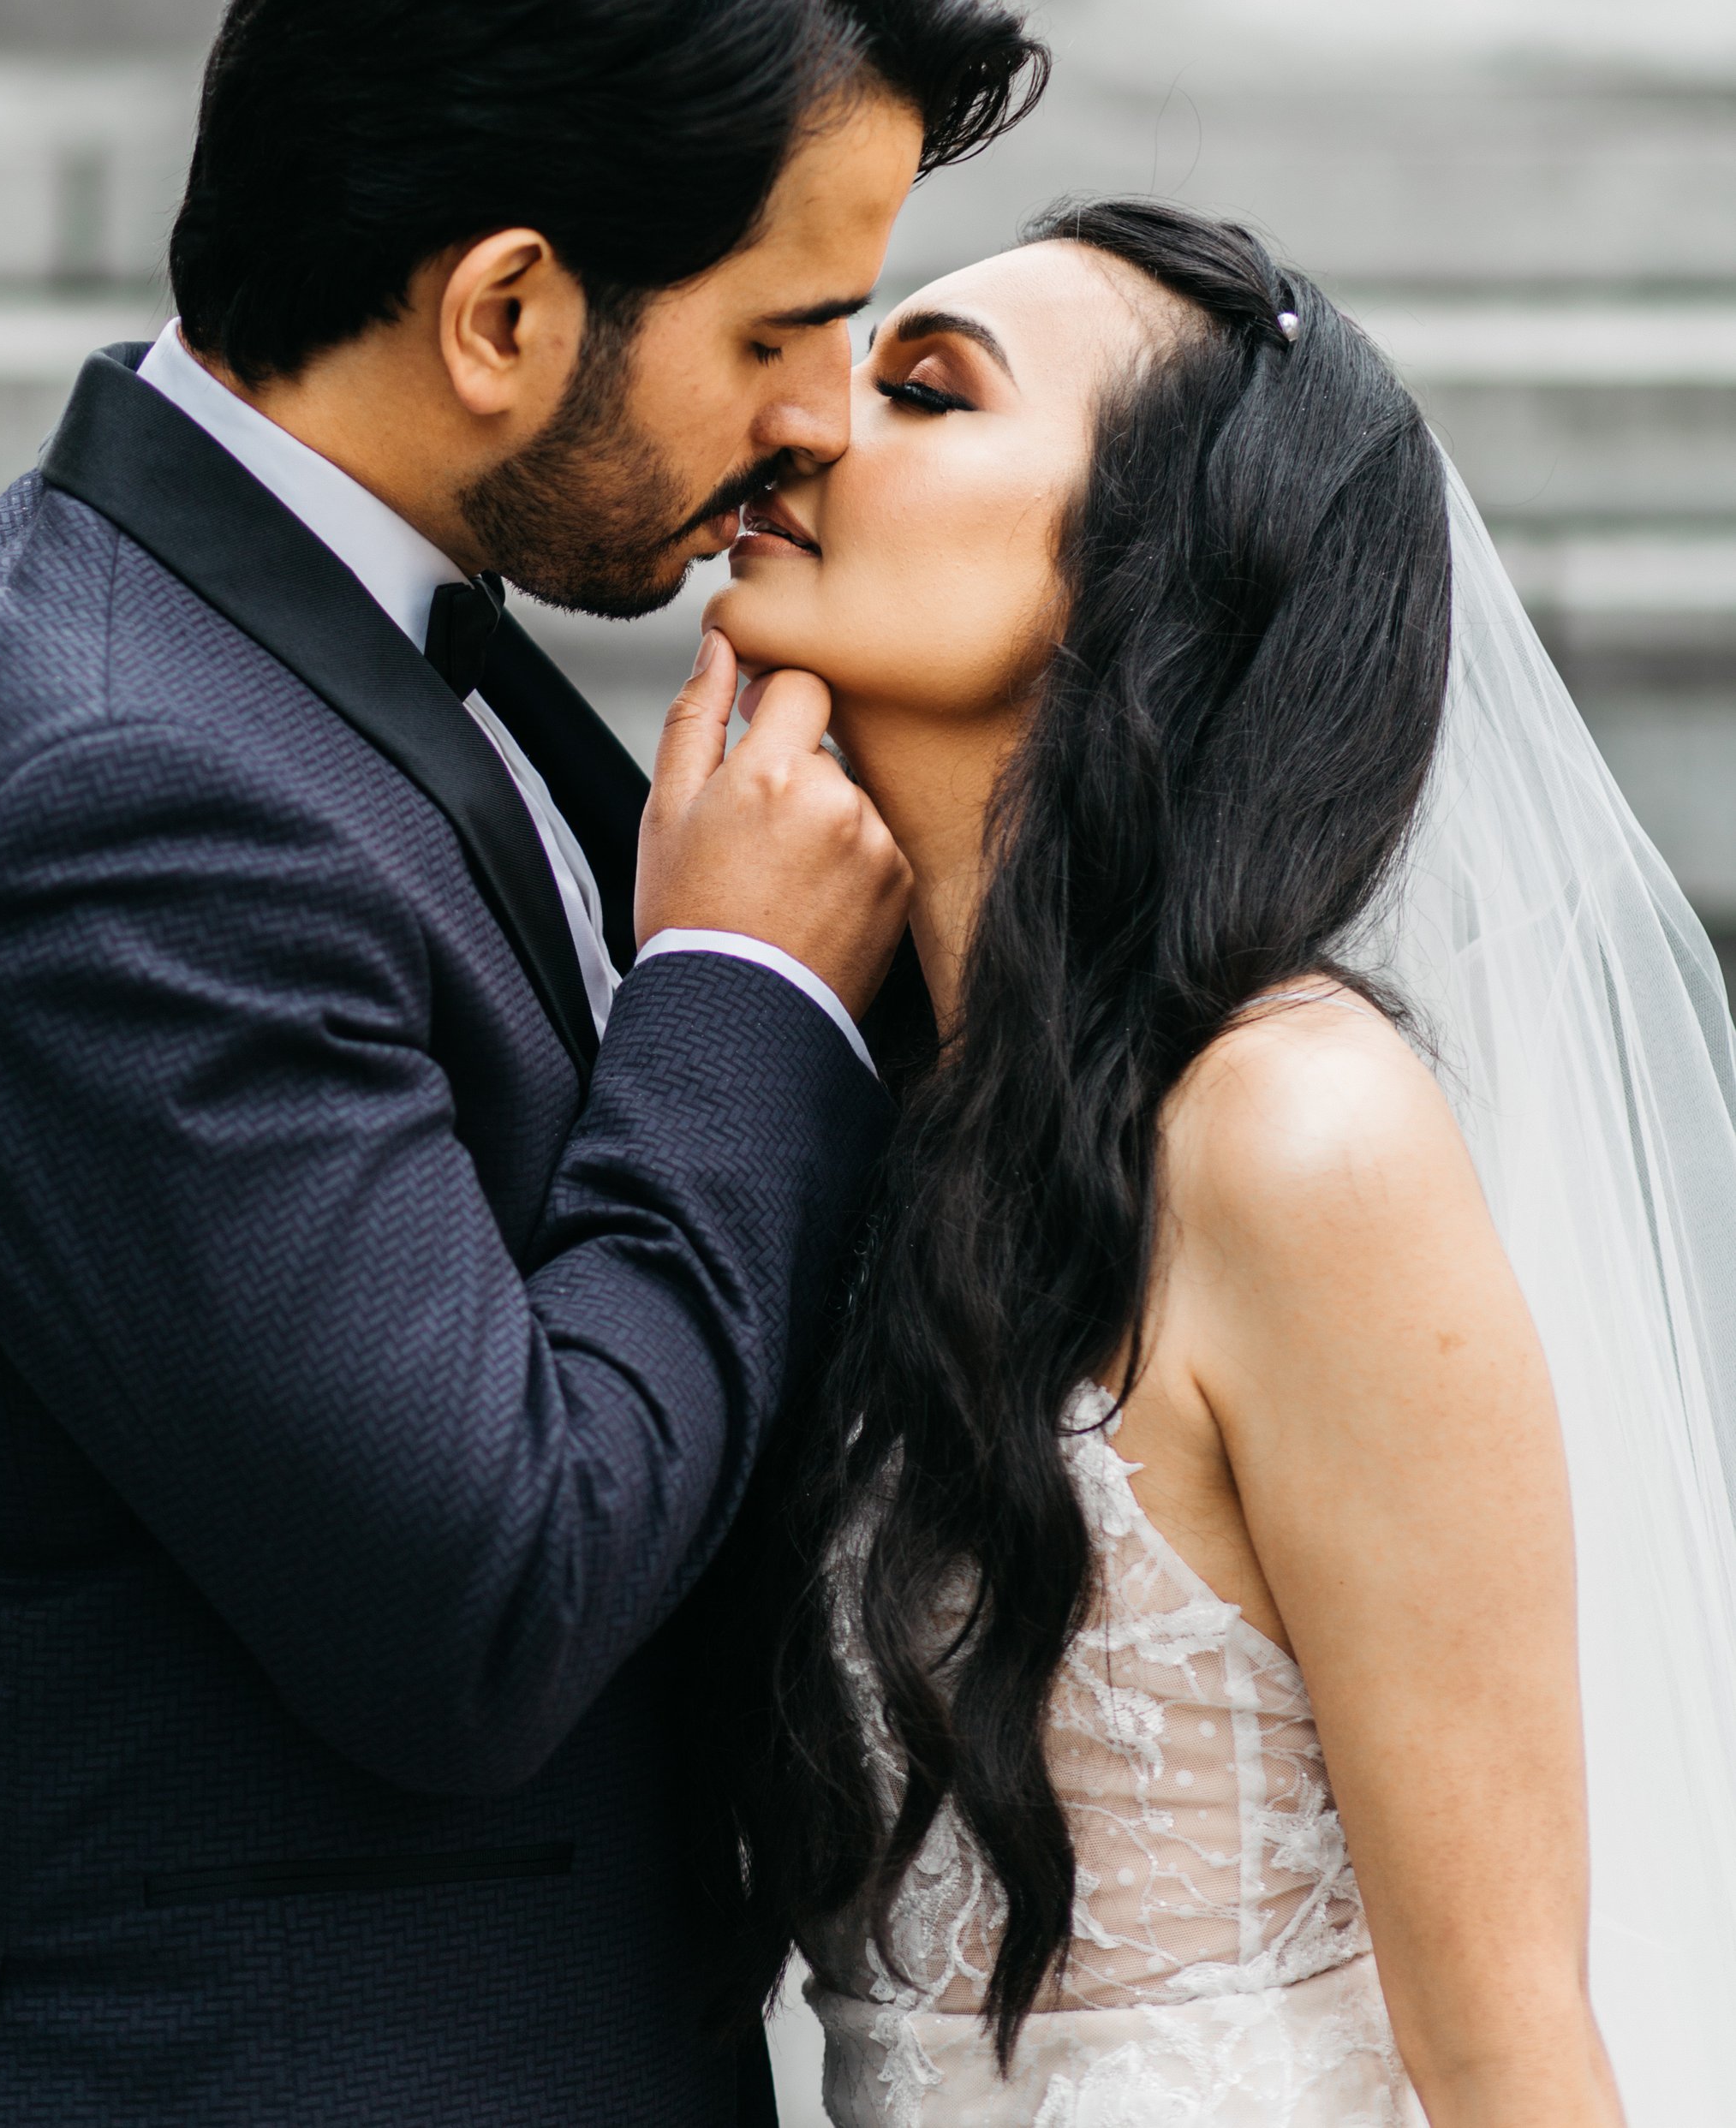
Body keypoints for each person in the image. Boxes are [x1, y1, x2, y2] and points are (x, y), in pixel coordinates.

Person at [0, 0, 1044, 2128]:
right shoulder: (118, 797)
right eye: (781, 327)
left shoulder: (337, 657)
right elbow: (489, 1589)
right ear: (503, 313)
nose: (832, 417)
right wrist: (742, 990)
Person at [710, 198, 1736, 2128]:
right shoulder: (881, 1122)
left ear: (1143, 580)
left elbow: (1506, 2046)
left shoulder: (1292, 1137)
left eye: (922, 390)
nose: (805, 419)